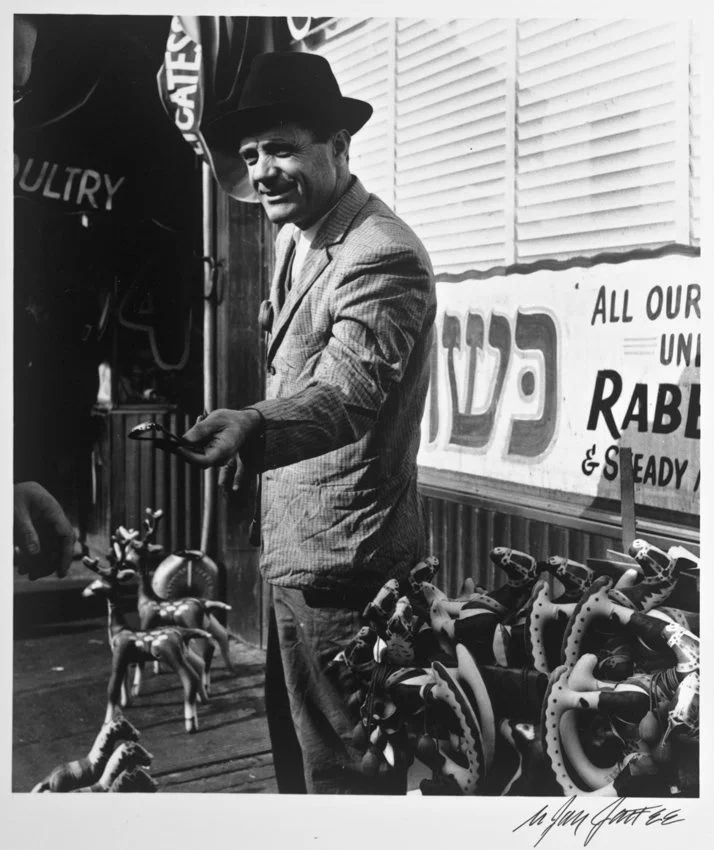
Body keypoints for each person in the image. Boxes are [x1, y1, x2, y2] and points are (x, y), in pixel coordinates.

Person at [179, 51, 436, 794]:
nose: (261, 171)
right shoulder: (298, 234)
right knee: (300, 764)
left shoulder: (379, 254)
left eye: (282, 148)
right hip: (297, 553)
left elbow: (349, 391)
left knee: (347, 777)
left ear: (339, 147)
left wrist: (254, 426)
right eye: (253, 154)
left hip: (346, 573)